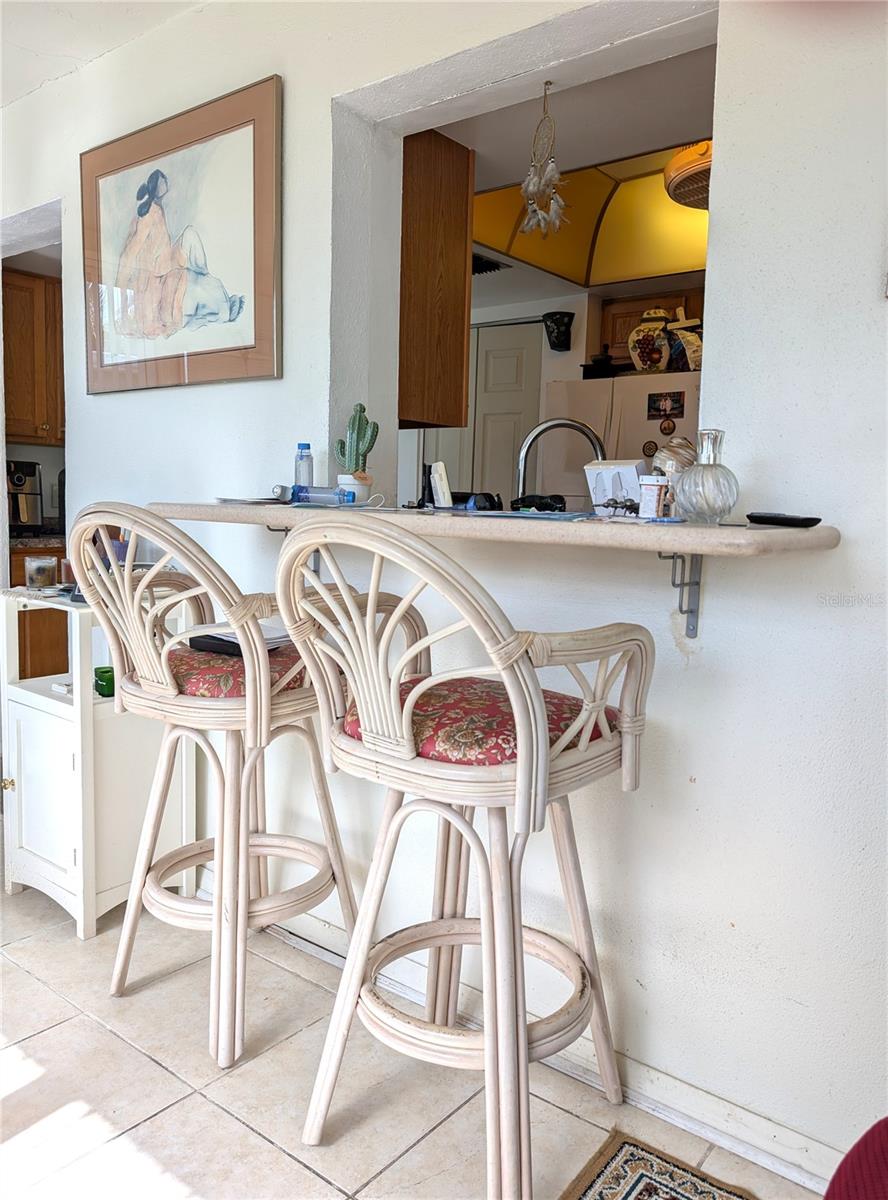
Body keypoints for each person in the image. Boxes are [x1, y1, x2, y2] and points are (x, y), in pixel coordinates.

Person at [113, 168, 244, 340]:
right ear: (157, 187)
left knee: (191, 243)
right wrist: (121, 294)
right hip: (158, 278)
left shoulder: (156, 211)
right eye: (162, 183)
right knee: (196, 277)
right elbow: (129, 256)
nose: (165, 187)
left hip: (165, 270)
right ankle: (220, 307)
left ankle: (218, 303)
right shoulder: (149, 215)